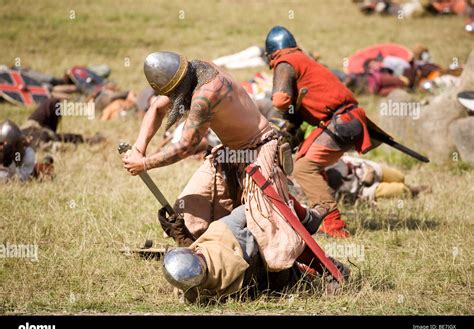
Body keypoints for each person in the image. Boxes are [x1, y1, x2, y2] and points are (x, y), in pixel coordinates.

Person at [122, 51, 321, 272]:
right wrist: (139, 149)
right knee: (188, 212)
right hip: (228, 153)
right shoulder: (192, 73)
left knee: (271, 230)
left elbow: (186, 146)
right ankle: (204, 264)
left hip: (259, 149)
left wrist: (145, 164)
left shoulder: (207, 92)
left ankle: (312, 254)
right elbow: (157, 108)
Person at [264, 26, 378, 238]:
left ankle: (332, 224)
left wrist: (284, 111)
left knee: (303, 169)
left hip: (340, 121)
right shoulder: (302, 58)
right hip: (343, 119)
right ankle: (321, 208)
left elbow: (281, 99)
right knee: (306, 161)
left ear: (271, 53)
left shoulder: (285, 61)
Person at [162, 205, 350, 303]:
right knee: (281, 243)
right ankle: (326, 265)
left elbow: (196, 263)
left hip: (260, 262)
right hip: (265, 268)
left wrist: (180, 235)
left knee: (277, 230)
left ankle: (327, 263)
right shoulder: (219, 236)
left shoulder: (197, 294)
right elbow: (195, 255)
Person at [325, 156, 431, 203]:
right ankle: (414, 191)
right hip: (363, 190)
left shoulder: (327, 158)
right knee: (401, 189)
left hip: (368, 169)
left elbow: (348, 159)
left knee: (400, 177)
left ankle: (411, 187)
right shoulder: (319, 184)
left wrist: (368, 170)